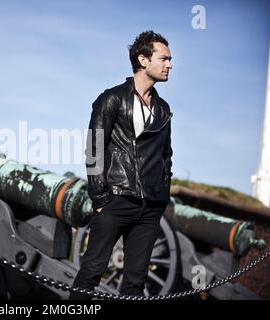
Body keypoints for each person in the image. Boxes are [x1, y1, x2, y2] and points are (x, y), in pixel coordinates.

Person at [70, 30, 174, 299]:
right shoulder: (111, 99)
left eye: (170, 60)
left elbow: (166, 156)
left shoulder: (163, 109)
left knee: (135, 283)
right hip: (115, 200)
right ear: (143, 59)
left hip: (150, 207)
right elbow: (94, 150)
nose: (169, 65)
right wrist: (101, 198)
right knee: (91, 272)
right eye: (163, 58)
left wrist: (162, 195)